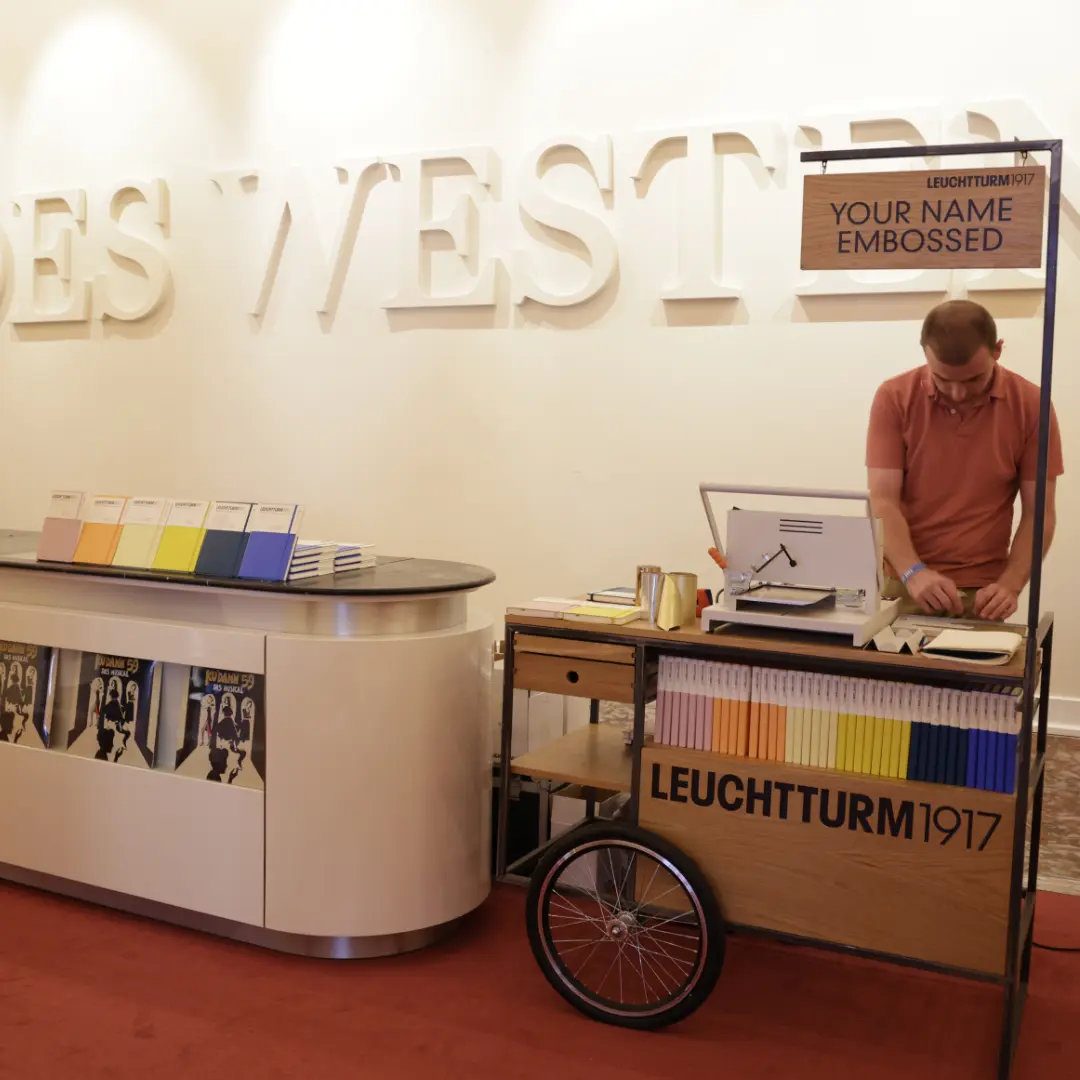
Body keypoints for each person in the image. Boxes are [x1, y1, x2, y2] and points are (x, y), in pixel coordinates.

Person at [866, 299, 1063, 621]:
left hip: (984, 594)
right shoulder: (894, 397)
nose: (958, 393)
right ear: (925, 353)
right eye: (943, 379)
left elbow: (1039, 512)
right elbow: (883, 501)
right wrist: (913, 573)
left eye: (972, 379)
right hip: (902, 581)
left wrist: (1011, 585)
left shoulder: (1033, 406)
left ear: (997, 350)